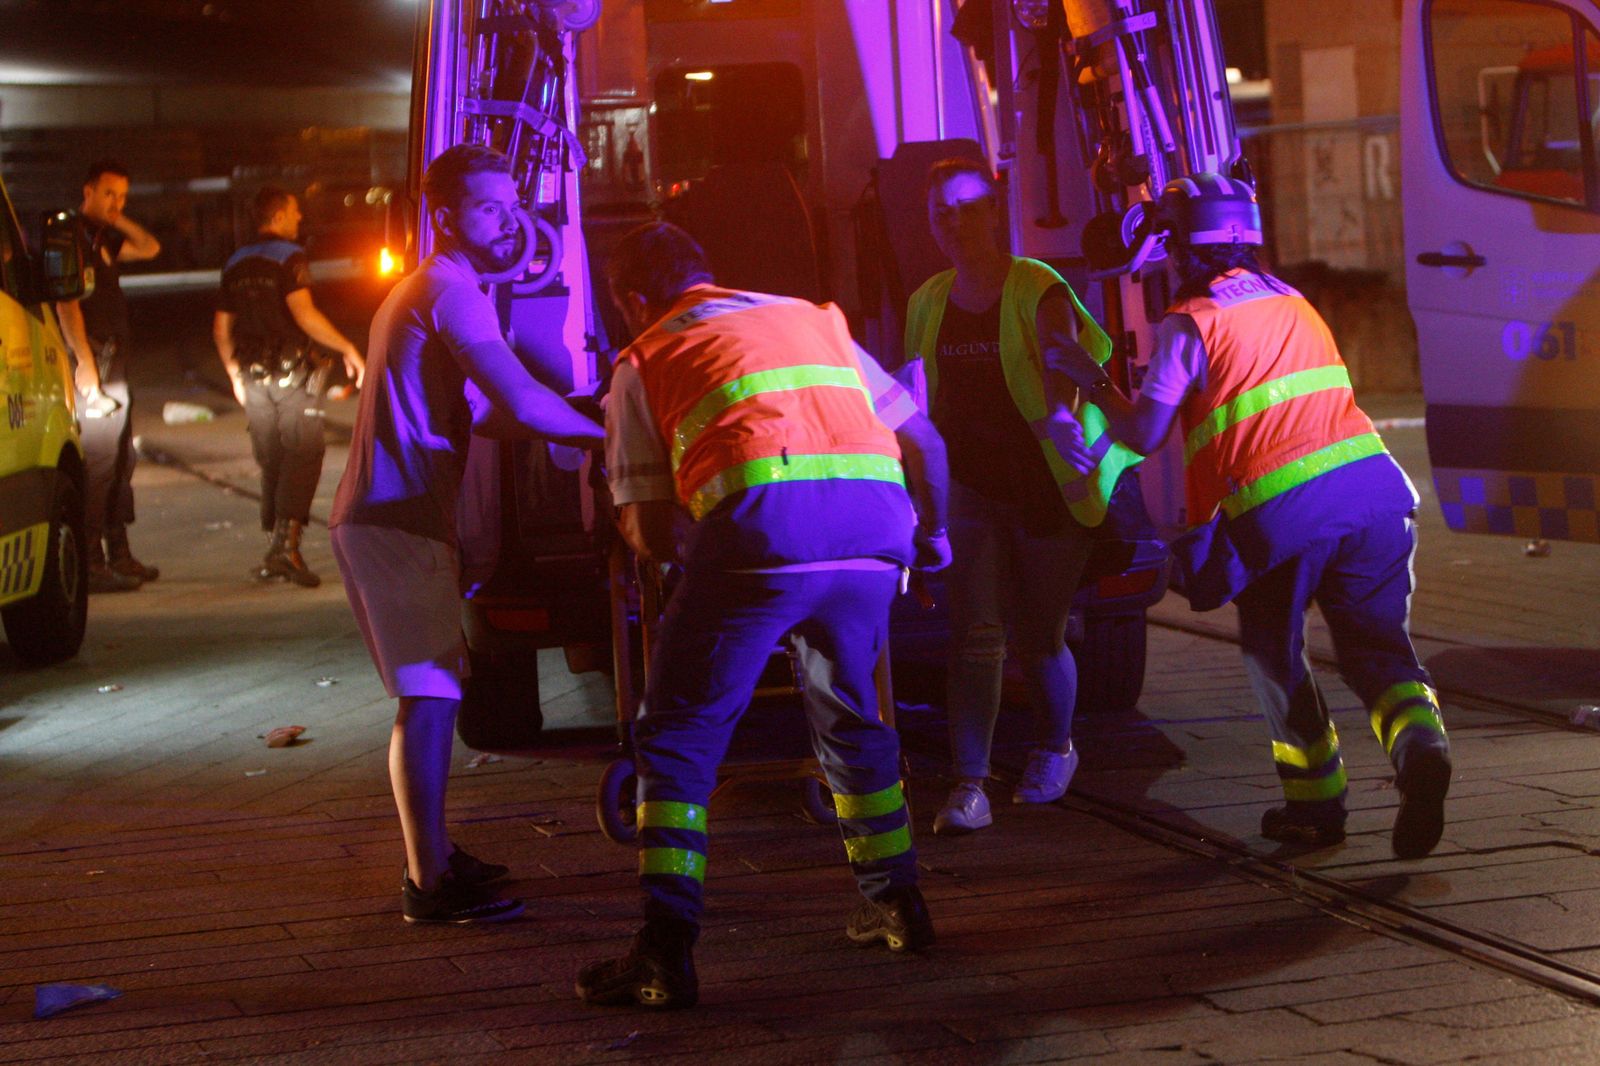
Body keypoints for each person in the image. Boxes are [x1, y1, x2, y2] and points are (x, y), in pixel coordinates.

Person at [578, 222, 951, 1011]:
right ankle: (898, 903)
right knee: (853, 718)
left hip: (759, 539)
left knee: (677, 737)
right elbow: (926, 443)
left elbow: (650, 532)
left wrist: (679, 550)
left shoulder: (644, 357)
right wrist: (935, 538)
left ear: (634, 300)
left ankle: (664, 949)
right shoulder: (815, 321)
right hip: (875, 536)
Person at [1048, 172, 1452, 859]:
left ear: (1181, 247)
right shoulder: (1292, 301)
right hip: (1376, 498)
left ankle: (1315, 805)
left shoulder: (1191, 322)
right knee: (1378, 649)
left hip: (1283, 517)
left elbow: (1142, 432)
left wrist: (1092, 377)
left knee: (1272, 652)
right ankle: (1422, 748)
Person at [329, 144, 605, 924]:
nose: (511, 220)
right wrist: (605, 431)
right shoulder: (450, 291)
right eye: (489, 207)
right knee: (429, 696)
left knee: (434, 691)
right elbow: (516, 401)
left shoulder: (434, 288)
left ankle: (438, 856)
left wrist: (569, 417)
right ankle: (429, 884)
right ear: (447, 216)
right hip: (396, 517)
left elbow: (484, 414)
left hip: (396, 514)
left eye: (513, 204)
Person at [902, 158, 1136, 836]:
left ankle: (1054, 747)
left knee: (1040, 634)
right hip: (969, 489)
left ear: (994, 209)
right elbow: (916, 397)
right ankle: (969, 783)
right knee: (974, 635)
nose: (954, 222)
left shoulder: (1036, 286)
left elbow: (1063, 357)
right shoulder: (927, 300)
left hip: (1046, 488)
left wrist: (1061, 415)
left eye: (967, 207)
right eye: (941, 212)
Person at [214, 185, 366, 587]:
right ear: (278, 215)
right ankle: (288, 550)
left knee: (272, 459)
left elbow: (221, 328)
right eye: (295, 211)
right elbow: (305, 315)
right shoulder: (289, 257)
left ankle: (274, 549)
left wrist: (234, 375)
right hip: (291, 377)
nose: (299, 218)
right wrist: (348, 347)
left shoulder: (235, 261)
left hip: (253, 377)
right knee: (303, 453)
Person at [55, 159, 162, 593]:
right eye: (109, 194)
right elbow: (66, 303)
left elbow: (150, 247)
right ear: (88, 191)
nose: (117, 203)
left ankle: (119, 553)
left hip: (113, 362)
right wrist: (83, 363)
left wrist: (117, 217)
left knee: (120, 461)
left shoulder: (102, 238)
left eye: (122, 197)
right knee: (98, 464)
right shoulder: (72, 238)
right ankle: (91, 562)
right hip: (93, 364)